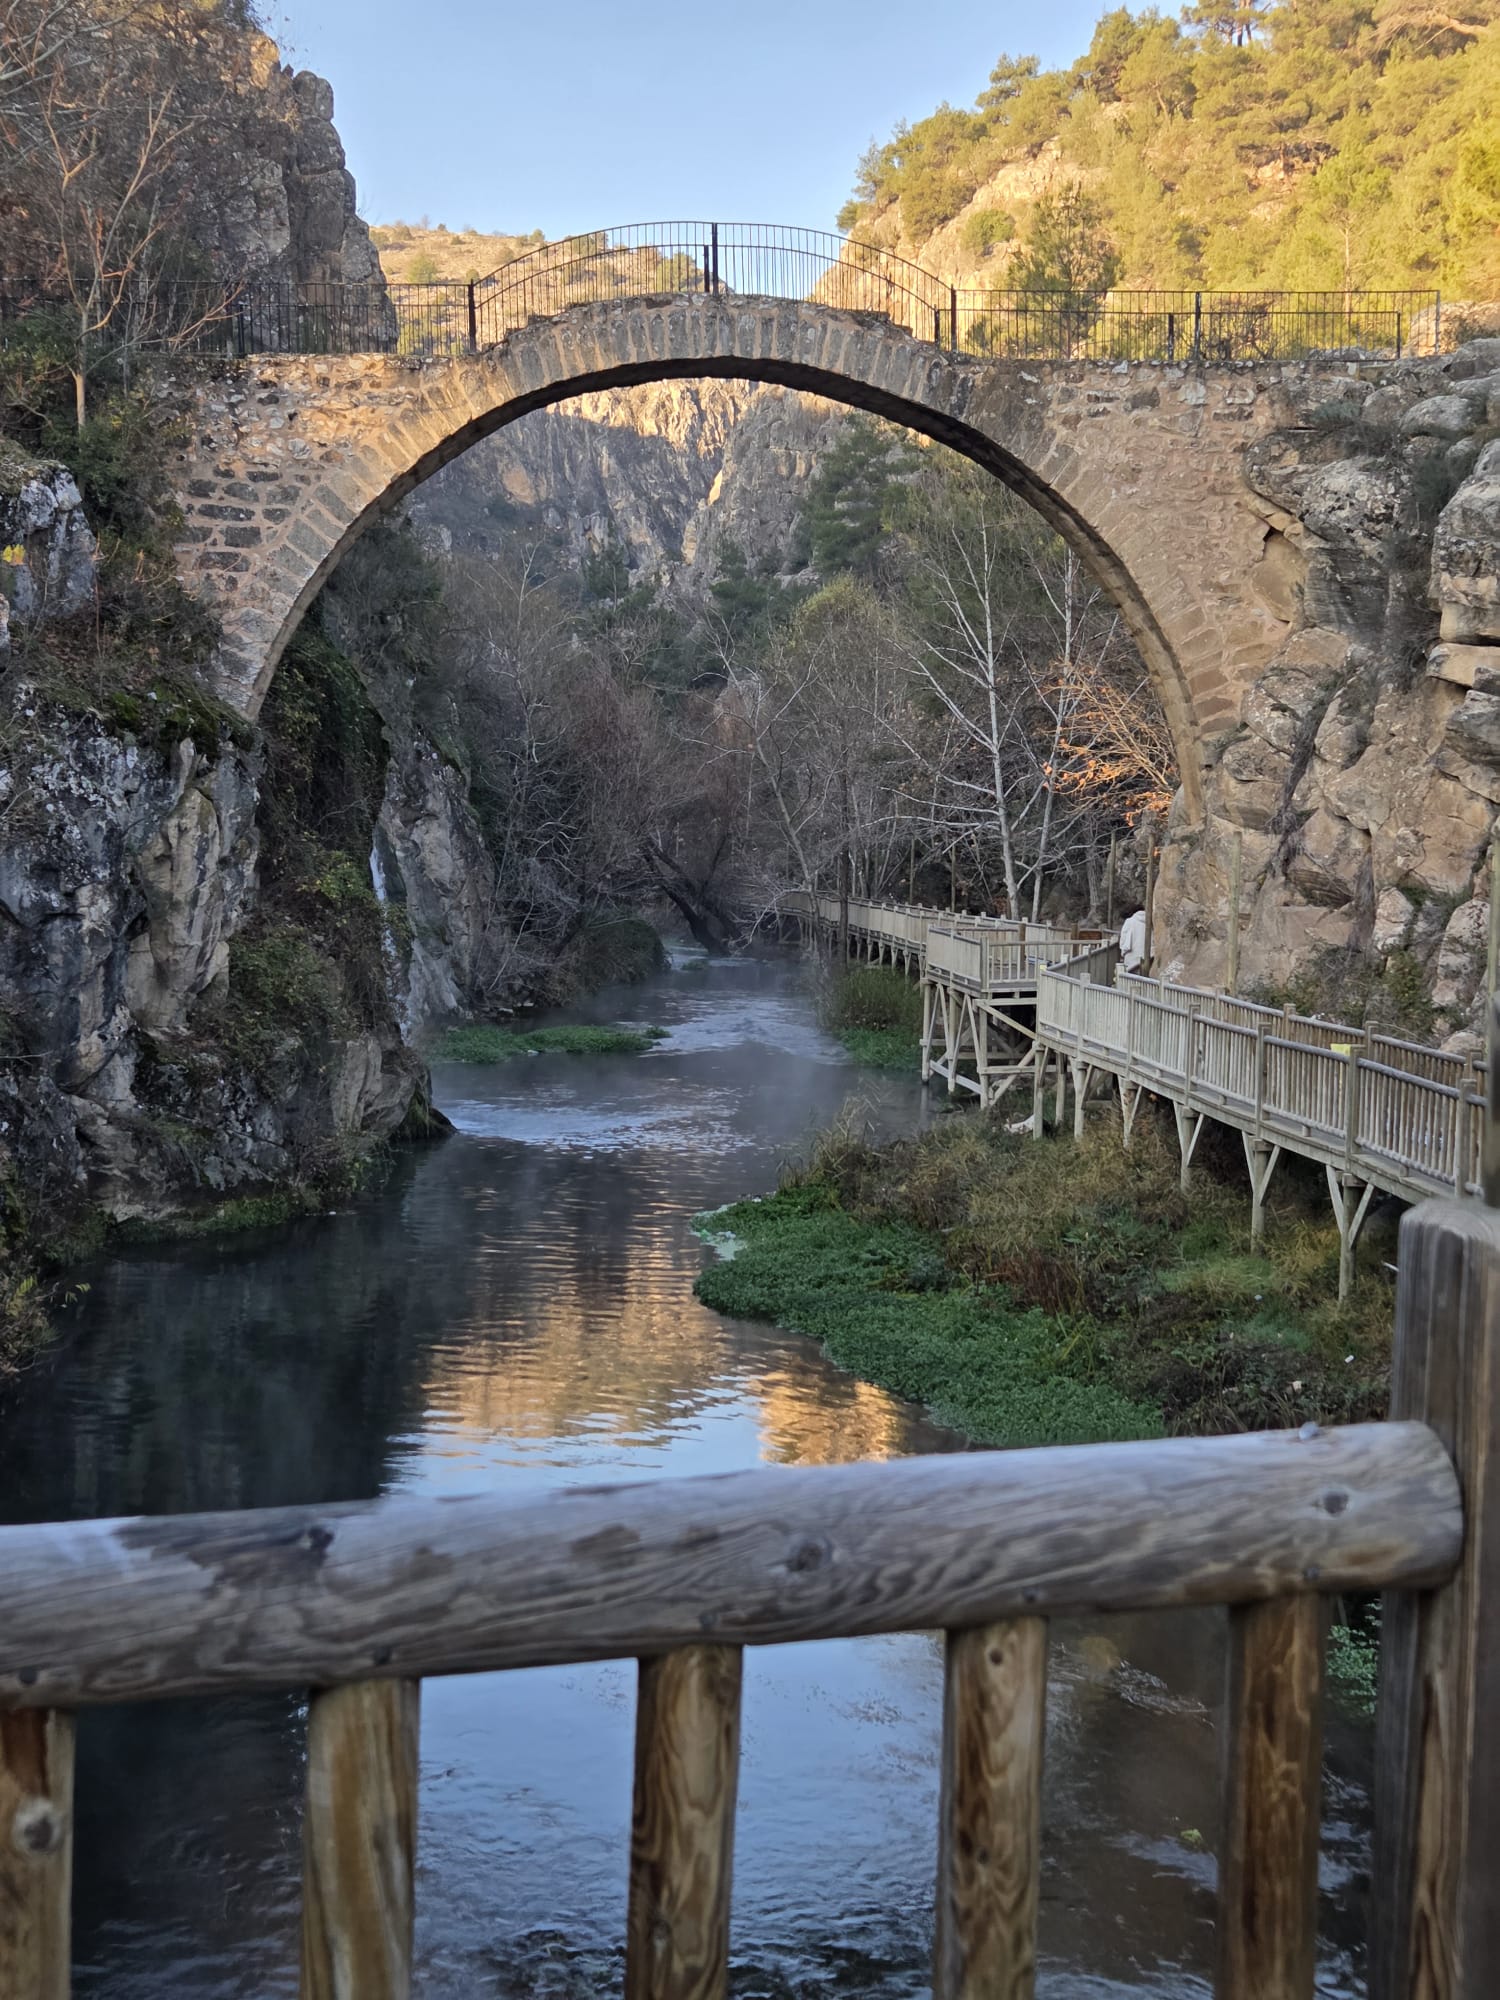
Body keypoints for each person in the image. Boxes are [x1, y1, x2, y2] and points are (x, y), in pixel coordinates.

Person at [1119, 907, 1148, 975]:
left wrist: (1123, 952)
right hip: (1147, 957)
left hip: (1131, 956)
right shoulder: (1150, 921)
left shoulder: (1129, 921)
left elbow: (1123, 939)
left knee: (1131, 979)